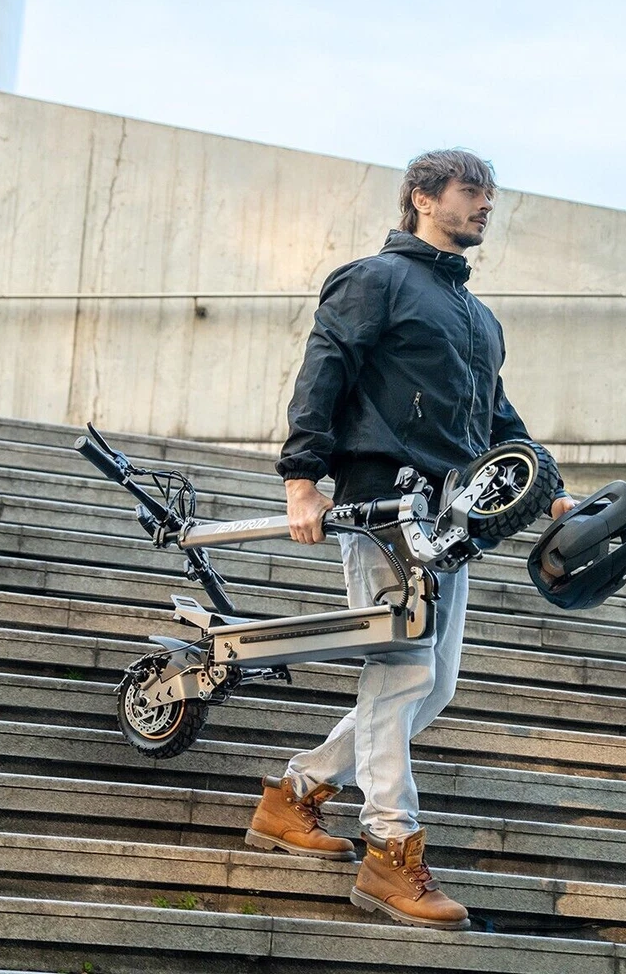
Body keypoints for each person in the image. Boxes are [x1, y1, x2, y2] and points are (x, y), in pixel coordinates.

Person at [245, 149, 575, 930]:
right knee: (400, 674)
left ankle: (294, 796)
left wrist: (552, 487)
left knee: (435, 685)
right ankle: (390, 852)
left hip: (455, 517)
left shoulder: (478, 319)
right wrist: (302, 477)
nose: (486, 205)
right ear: (424, 197)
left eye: (490, 194)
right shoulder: (376, 279)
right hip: (383, 504)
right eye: (471, 191)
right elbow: (325, 367)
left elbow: (496, 418)